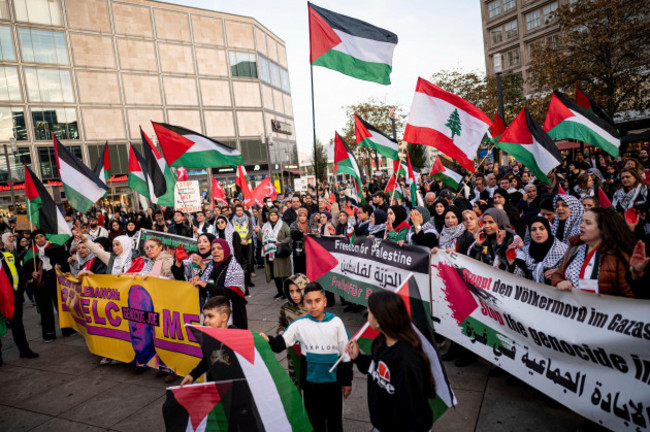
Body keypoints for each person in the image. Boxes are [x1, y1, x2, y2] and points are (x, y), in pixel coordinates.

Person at [262, 283, 353, 432]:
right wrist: (268, 340)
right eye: (309, 301)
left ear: (325, 301)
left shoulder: (336, 323)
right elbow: (281, 343)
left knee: (334, 422)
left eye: (317, 301)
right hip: (310, 387)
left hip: (333, 386)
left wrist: (347, 381)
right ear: (304, 303)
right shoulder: (299, 325)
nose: (313, 305)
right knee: (314, 422)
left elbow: (345, 355)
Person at [346, 290, 435, 432]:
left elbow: (410, 408)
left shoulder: (406, 359)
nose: (367, 317)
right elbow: (375, 369)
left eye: (369, 312)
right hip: (383, 425)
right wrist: (358, 358)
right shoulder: (381, 341)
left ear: (379, 320)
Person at [551, 208, 641, 297]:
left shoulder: (617, 255)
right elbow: (558, 273)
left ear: (603, 228)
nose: (581, 225)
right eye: (582, 221)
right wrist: (559, 281)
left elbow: (629, 295)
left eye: (588, 223)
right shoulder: (575, 247)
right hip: (571, 309)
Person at [24, 229, 71, 342]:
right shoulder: (31, 252)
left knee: (61, 305)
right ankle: (49, 333)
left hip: (55, 280)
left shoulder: (55, 247)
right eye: (36, 238)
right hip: (41, 283)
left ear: (45, 237)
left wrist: (61, 266)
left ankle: (68, 329)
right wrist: (31, 273)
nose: (39, 239)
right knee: (45, 309)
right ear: (34, 240)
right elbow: (25, 268)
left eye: (41, 236)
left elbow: (65, 261)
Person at [190, 238, 247, 329]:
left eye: (219, 248)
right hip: (213, 316)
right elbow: (205, 292)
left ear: (226, 250)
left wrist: (206, 285)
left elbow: (230, 293)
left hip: (232, 316)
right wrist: (197, 284)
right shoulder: (211, 268)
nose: (215, 251)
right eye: (213, 249)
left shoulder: (235, 269)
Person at [180, 295, 234, 386]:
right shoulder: (208, 337)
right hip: (214, 384)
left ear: (224, 317)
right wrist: (192, 375)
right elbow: (207, 360)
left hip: (233, 387)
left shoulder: (236, 336)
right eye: (205, 316)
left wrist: (265, 339)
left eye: (210, 316)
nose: (205, 321)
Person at [469, 209, 526, 276]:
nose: (487, 226)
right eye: (484, 222)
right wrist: (477, 245)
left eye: (491, 222)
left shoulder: (514, 240)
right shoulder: (482, 237)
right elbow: (471, 262)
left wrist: (502, 246)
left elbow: (520, 273)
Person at [277, 274, 309, 385]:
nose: (294, 295)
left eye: (298, 291)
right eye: (291, 291)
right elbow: (282, 324)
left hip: (310, 351)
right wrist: (281, 332)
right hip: (293, 352)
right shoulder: (286, 308)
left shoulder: (311, 307)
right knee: (295, 379)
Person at [171, 233, 216, 307]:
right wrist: (178, 262)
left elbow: (214, 285)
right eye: (199, 242)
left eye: (205, 241)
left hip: (208, 304)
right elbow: (180, 278)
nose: (201, 244)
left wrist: (203, 266)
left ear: (212, 244)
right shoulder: (192, 259)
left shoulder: (216, 261)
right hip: (188, 301)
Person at [256, 208, 291, 300]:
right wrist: (258, 232)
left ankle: (287, 292)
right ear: (269, 217)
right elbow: (262, 239)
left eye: (275, 215)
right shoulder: (265, 226)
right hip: (270, 253)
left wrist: (282, 241)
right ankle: (280, 292)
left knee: (284, 274)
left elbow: (289, 236)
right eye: (271, 215)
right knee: (275, 274)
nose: (273, 217)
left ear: (277, 215)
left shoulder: (283, 225)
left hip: (280, 253)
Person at [520, 217, 568, 284]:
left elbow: (572, 272)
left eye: (542, 229)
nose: (538, 232)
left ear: (548, 230)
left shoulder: (563, 250)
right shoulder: (524, 252)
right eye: (533, 230)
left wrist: (559, 272)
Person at [290, 208, 310, 275]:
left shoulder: (310, 224)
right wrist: (300, 232)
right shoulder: (294, 224)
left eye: (304, 216)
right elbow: (293, 235)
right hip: (297, 251)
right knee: (298, 270)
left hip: (308, 251)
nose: (302, 218)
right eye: (300, 216)